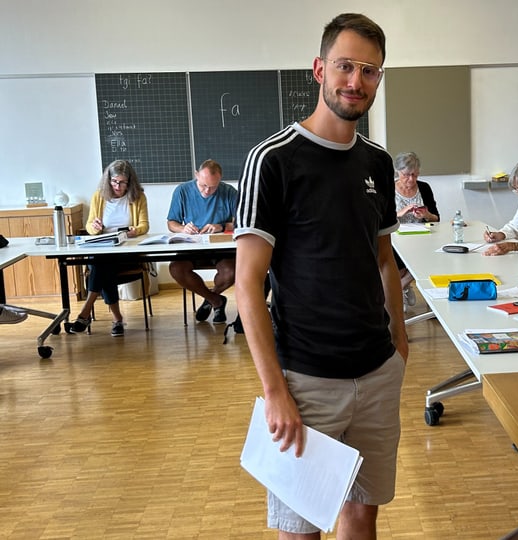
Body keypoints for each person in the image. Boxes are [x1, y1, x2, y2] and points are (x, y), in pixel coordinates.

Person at [234, 13, 407, 540]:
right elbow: (247, 286)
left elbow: (383, 258)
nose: (356, 81)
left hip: (377, 373)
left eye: (370, 71)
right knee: (301, 528)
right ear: (319, 69)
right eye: (345, 66)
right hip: (306, 382)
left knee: (363, 512)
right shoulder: (273, 161)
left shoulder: (377, 162)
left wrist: (398, 341)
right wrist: (276, 392)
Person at [65, 160, 149, 337]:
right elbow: (89, 227)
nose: (118, 186)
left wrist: (136, 230)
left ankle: (86, 312)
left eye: (123, 182)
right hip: (103, 249)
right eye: (114, 181)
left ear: (130, 182)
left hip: (127, 252)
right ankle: (117, 319)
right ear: (108, 180)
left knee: (101, 265)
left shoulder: (138, 197)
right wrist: (95, 226)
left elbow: (144, 225)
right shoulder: (99, 196)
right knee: (103, 264)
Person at [166, 159, 238, 324]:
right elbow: (171, 223)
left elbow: (239, 222)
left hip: (220, 247)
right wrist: (182, 229)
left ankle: (210, 299)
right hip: (192, 245)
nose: (207, 191)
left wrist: (220, 226)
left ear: (220, 180)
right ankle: (216, 300)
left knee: (232, 272)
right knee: (176, 269)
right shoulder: (182, 191)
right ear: (196, 175)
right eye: (203, 185)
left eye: (213, 187)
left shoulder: (229, 192)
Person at [392, 151, 438, 308]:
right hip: (396, 238)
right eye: (406, 175)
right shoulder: (388, 188)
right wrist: (400, 213)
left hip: (421, 237)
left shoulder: (424, 188)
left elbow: (436, 218)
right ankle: (402, 287)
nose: (411, 180)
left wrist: (426, 214)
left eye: (415, 175)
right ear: (398, 171)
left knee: (431, 257)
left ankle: (400, 287)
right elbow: (381, 218)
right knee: (395, 266)